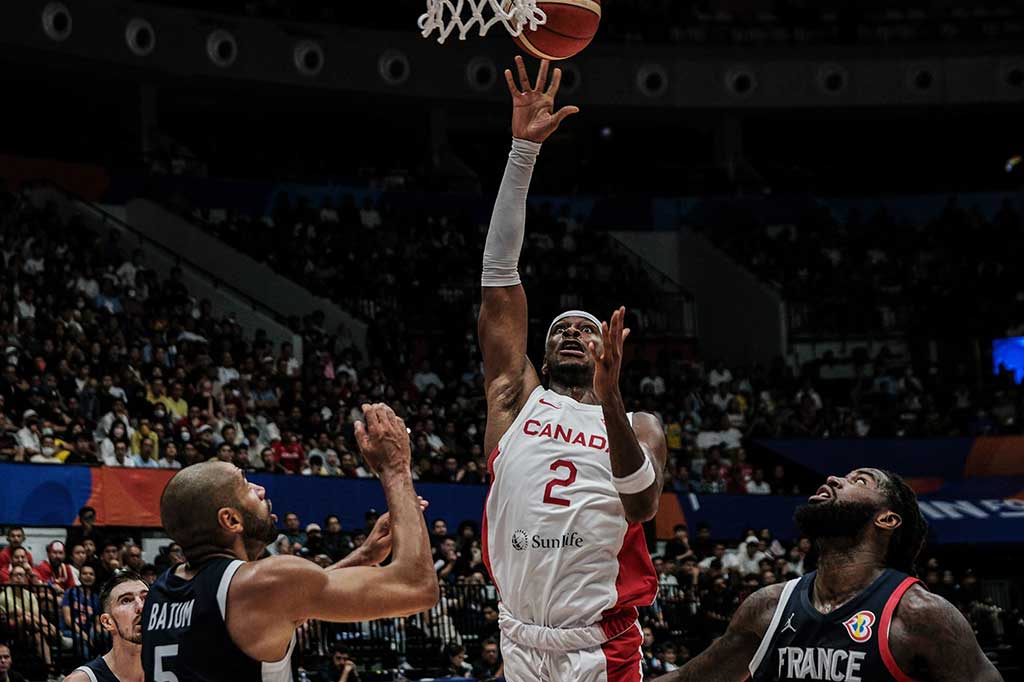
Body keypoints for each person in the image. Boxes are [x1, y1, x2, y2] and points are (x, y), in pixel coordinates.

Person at [478, 56, 667, 682]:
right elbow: (500, 278)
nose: (570, 333)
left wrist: (610, 401)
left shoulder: (639, 423)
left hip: (600, 643)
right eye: (559, 328)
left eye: (586, 328)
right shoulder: (515, 400)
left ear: (609, 348)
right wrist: (521, 154)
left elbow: (640, 505)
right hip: (516, 633)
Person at [141, 403, 436, 681]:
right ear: (231, 520)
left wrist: (363, 556)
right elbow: (417, 587)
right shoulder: (260, 584)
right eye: (246, 485)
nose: (260, 490)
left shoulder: (162, 591)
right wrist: (396, 470)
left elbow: (284, 602)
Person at [653, 469, 1004, 682]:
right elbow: (691, 677)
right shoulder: (768, 607)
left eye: (859, 480)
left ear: (887, 519)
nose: (833, 479)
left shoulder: (921, 616)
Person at [65, 571, 149, 682]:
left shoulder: (172, 670)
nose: (141, 606)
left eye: (146, 598)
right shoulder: (82, 680)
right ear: (107, 622)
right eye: (126, 600)